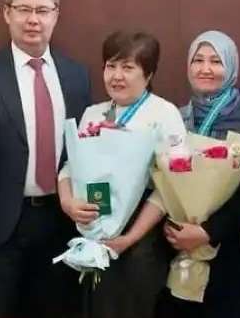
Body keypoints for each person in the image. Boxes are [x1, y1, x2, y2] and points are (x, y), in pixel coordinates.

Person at [0, 0, 93, 318]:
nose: (33, 19)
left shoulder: (77, 76)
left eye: (42, 11)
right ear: (7, 13)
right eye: (24, 10)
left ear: (56, 15)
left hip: (60, 222)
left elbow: (83, 151)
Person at [58, 30, 188, 318]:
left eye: (128, 67)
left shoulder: (164, 114)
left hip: (141, 237)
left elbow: (170, 187)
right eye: (111, 66)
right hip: (94, 228)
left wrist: (129, 238)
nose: (117, 76)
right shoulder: (93, 113)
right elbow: (69, 167)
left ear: (148, 74)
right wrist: (68, 202)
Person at [161, 30, 240, 318]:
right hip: (179, 248)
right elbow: (163, 181)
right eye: (198, 60)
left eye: (216, 61)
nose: (205, 69)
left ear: (231, 67)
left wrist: (208, 232)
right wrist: (173, 226)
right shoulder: (176, 119)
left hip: (232, 250)